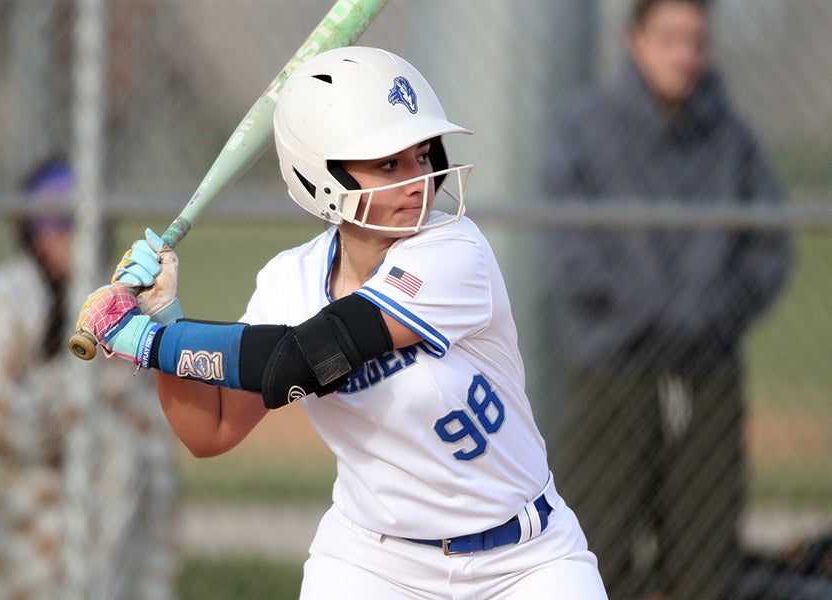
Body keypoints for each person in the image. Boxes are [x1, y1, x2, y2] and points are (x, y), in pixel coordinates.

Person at [76, 46, 608, 599]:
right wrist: (162, 315)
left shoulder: (454, 251)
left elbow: (307, 357)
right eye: (388, 164)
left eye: (422, 155)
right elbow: (210, 429)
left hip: (525, 560)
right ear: (322, 177)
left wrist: (147, 341)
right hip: (374, 564)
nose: (418, 180)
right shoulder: (289, 282)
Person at [539, 1, 793, 598]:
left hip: (707, 371)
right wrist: (642, 314)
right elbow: (568, 247)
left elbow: (768, 249)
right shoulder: (586, 127)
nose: (685, 55)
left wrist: (711, 315)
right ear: (635, 40)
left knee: (704, 559)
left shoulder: (729, 136)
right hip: (614, 368)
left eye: (697, 41)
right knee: (595, 548)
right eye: (670, 38)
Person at [0, 159, 180, 600]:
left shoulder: (109, 297)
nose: (69, 238)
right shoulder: (5, 297)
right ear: (31, 230)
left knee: (133, 451)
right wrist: (73, 405)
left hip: (104, 507)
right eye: (55, 225)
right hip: (24, 492)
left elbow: (134, 396)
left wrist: (91, 407)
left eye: (77, 225)